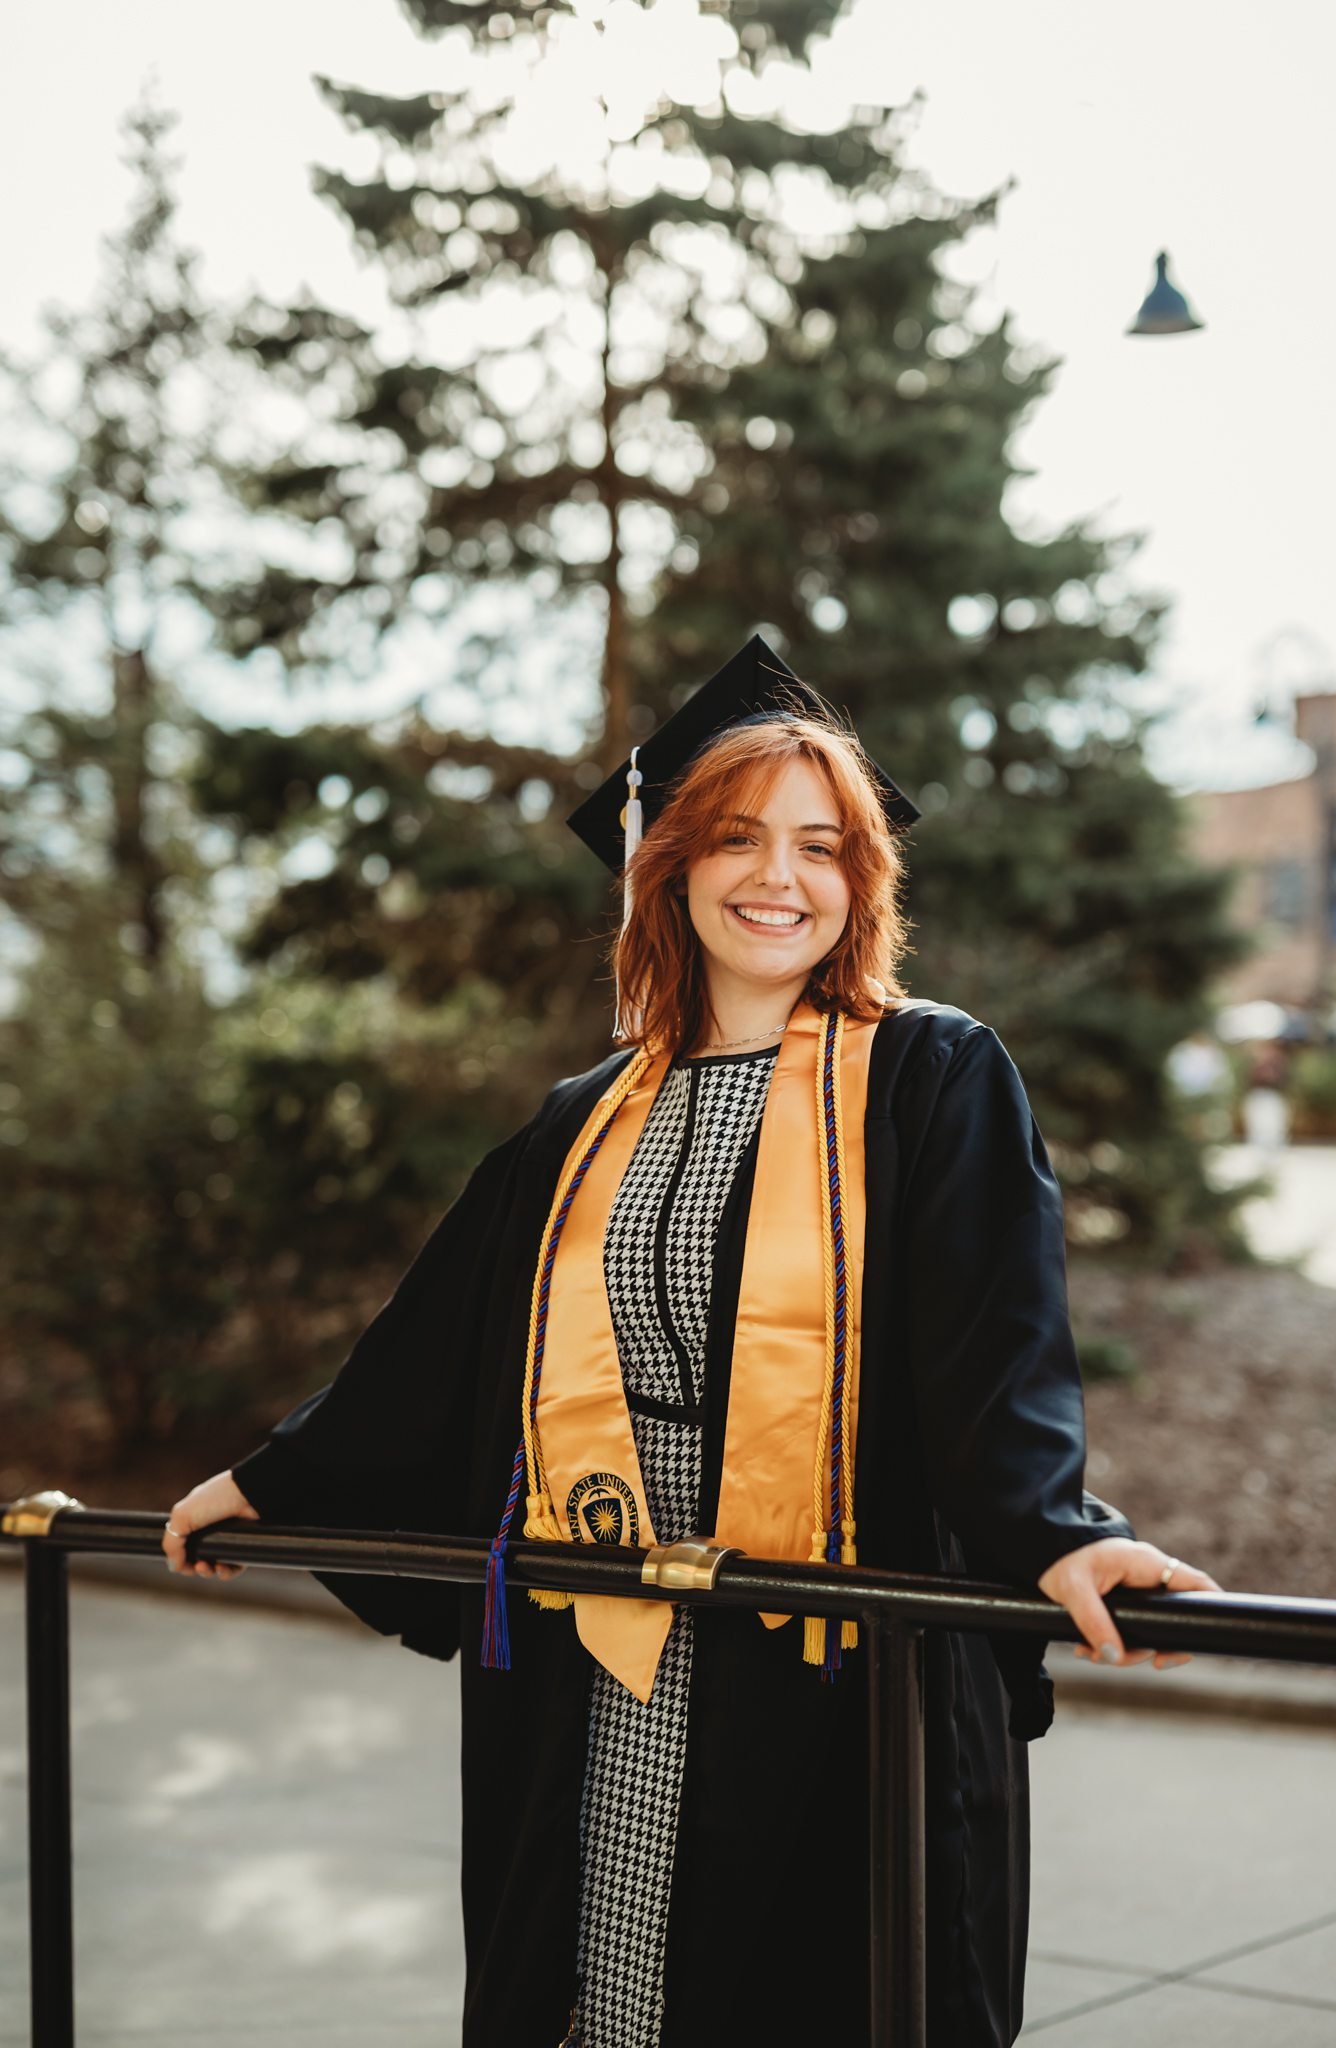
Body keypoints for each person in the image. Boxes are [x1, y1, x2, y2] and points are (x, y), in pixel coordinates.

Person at [162, 636, 1219, 2047]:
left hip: (830, 1654)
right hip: (594, 1633)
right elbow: (439, 1340)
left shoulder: (928, 1074)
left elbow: (994, 1343)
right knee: (608, 1976)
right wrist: (275, 1481)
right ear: (666, 863)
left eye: (819, 848)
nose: (778, 879)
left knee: (813, 1987)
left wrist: (1052, 1527)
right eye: (734, 839)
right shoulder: (584, 1114)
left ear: (860, 881)